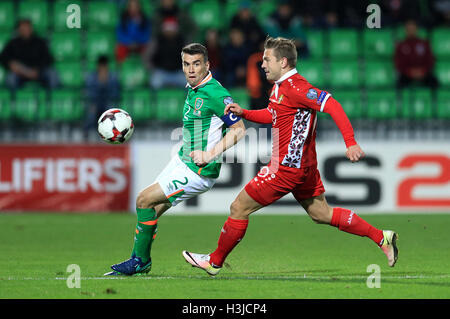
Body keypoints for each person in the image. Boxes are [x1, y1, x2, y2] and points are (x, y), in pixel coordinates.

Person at [182, 37, 399, 276]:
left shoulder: (298, 88)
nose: (262, 64)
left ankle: (214, 262)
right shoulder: (279, 87)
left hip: (286, 168)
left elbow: (332, 105)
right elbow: (273, 115)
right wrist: (244, 112)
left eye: (267, 59)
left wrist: (350, 143)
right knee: (321, 214)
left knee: (238, 208)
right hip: (304, 167)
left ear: (283, 62)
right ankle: (382, 238)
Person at [105, 43, 246, 276]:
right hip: (183, 161)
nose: (191, 69)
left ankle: (140, 261)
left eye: (197, 64)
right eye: (186, 64)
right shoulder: (194, 88)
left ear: (207, 65)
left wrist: (209, 154)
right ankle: (139, 260)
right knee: (152, 210)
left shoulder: (215, 93)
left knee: (143, 200)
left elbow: (239, 129)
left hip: (198, 171)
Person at [0, 18, 58, 90]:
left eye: (27, 27)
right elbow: (3, 57)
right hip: (20, 73)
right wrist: (11, 64)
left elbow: (48, 59)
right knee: (10, 78)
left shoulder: (40, 42)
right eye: (23, 28)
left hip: (38, 71)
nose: (25, 30)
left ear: (31, 28)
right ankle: (14, 100)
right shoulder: (13, 43)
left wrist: (37, 69)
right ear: (19, 29)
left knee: (52, 74)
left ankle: (51, 98)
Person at [394, 19, 439, 90]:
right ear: (405, 30)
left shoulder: (424, 43)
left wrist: (422, 71)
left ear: (417, 29)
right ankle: (400, 100)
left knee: (434, 82)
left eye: (413, 28)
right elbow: (398, 63)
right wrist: (409, 71)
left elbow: (430, 60)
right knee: (399, 84)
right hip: (407, 74)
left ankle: (434, 100)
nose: (411, 30)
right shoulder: (401, 45)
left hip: (423, 73)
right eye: (409, 28)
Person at [145, 17, 187, 89]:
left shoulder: (182, 41)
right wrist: (152, 69)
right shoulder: (157, 41)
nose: (170, 32)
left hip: (178, 72)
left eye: (172, 30)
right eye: (167, 30)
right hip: (162, 72)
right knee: (154, 82)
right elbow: (147, 56)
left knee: (190, 83)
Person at [84, 55, 120, 136]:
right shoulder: (92, 76)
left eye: (104, 66)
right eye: (101, 66)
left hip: (107, 100)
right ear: (98, 66)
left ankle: (110, 134)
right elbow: (89, 91)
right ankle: (86, 133)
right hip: (95, 101)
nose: (103, 68)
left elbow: (115, 92)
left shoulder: (112, 77)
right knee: (91, 112)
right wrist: (93, 101)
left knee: (110, 109)